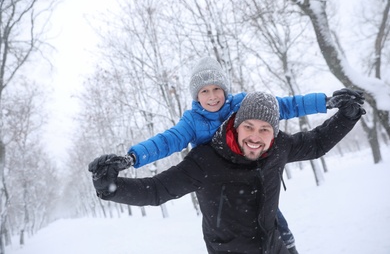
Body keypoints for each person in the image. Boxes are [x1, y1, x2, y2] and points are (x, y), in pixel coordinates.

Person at [89, 90, 365, 254]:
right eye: (249, 127)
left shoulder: (277, 148)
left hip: (273, 246)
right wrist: (109, 187)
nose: (255, 137)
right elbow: (157, 190)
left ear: (274, 133)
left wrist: (347, 116)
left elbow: (316, 143)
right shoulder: (205, 160)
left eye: (265, 129)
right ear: (235, 125)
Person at [121, 56, 328, 253]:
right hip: (219, 186)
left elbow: (284, 106)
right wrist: (134, 157)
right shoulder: (192, 122)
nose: (212, 96)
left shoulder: (243, 104)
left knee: (270, 219)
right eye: (204, 91)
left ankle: (289, 246)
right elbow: (168, 141)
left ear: (225, 89)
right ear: (196, 95)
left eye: (216, 89)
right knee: (227, 231)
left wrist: (324, 102)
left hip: (252, 175)